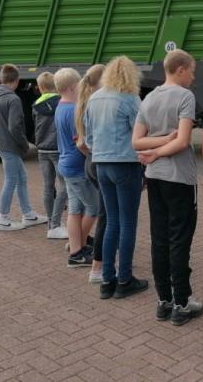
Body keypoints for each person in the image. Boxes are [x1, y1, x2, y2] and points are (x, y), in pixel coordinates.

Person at [133, 49, 203, 326]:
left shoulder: (149, 98)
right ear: (181, 69)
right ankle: (182, 303)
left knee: (159, 237)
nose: (194, 76)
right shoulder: (185, 96)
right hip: (179, 177)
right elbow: (184, 141)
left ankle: (163, 300)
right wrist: (165, 146)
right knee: (179, 239)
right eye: (192, 70)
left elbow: (137, 142)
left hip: (155, 178)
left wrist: (155, 148)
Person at [84, 56, 147, 300]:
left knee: (111, 220)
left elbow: (88, 136)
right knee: (128, 222)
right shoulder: (131, 100)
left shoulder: (95, 98)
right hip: (126, 163)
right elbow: (140, 135)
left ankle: (107, 279)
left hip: (101, 163)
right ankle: (124, 278)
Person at [0, 64, 48, 231]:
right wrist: (24, 145)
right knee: (12, 180)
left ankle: (28, 214)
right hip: (10, 146)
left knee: (21, 177)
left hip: (1, 143)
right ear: (16, 81)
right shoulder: (13, 99)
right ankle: (3, 218)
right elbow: (15, 127)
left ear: (1, 79)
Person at [54, 67, 99, 268]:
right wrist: (92, 157)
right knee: (94, 206)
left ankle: (76, 247)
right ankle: (77, 248)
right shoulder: (74, 111)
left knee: (74, 209)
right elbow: (80, 143)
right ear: (74, 87)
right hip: (77, 166)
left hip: (66, 164)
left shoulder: (60, 107)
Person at [74, 64, 107, 285]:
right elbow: (83, 143)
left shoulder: (84, 103)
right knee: (107, 215)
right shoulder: (99, 103)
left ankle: (82, 244)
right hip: (100, 162)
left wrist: (90, 154)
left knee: (103, 212)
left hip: (89, 162)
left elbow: (81, 144)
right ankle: (99, 265)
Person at [32, 72, 68, 240]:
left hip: (42, 150)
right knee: (64, 186)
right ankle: (55, 223)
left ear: (40, 88)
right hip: (58, 149)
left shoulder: (35, 106)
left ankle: (50, 224)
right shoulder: (61, 103)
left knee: (48, 187)